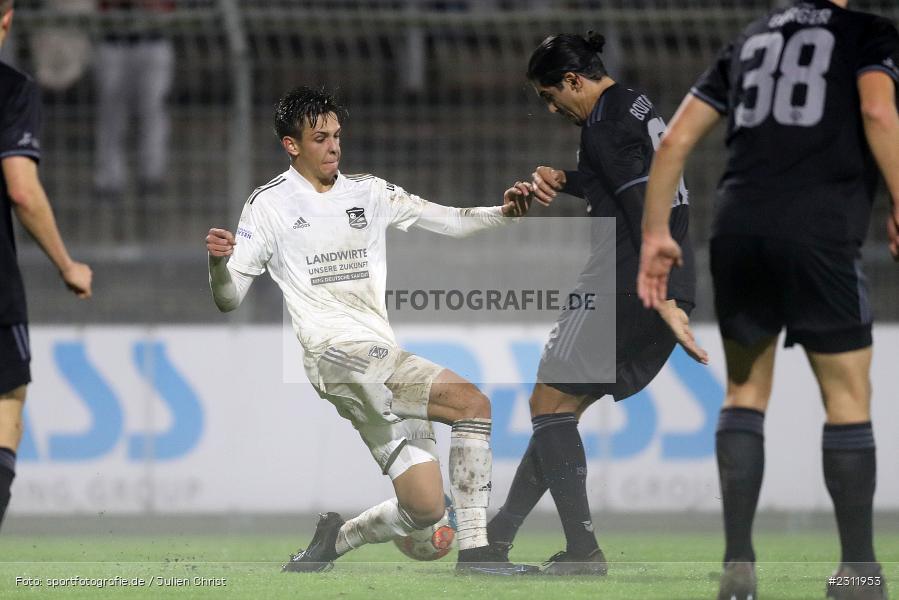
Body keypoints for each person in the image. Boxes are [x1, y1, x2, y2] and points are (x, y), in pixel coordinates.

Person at [205, 86, 535, 575]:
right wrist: (217, 265)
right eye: (320, 138)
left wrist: (503, 214)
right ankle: (479, 552)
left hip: (378, 355)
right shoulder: (268, 206)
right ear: (291, 145)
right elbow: (229, 299)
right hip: (335, 356)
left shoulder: (369, 192)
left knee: (424, 507)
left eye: (337, 135)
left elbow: (447, 220)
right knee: (473, 404)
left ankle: (331, 543)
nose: (334, 146)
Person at [637, 1, 899, 598]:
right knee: (849, 398)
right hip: (820, 229)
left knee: (744, 393)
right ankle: (857, 572)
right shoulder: (867, 32)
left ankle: (738, 569)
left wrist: (655, 235)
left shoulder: (750, 39)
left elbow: (674, 139)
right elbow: (879, 110)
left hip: (738, 228)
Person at [484, 32, 707, 575]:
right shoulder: (630, 102)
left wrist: (667, 294)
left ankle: (582, 552)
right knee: (559, 413)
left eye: (549, 95)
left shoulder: (603, 126)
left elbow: (638, 204)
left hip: (627, 279)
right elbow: (630, 181)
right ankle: (498, 538)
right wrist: (566, 180)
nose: (551, 108)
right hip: (652, 278)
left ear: (572, 81)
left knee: (547, 403)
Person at [0, 0, 93, 531]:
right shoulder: (12, 90)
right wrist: (66, 263)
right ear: (7, 20)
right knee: (7, 402)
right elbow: (21, 188)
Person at [93, 0, 175, 202]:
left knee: (154, 111)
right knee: (112, 114)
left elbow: (165, 6)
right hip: (115, 42)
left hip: (153, 40)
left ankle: (152, 176)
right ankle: (110, 179)